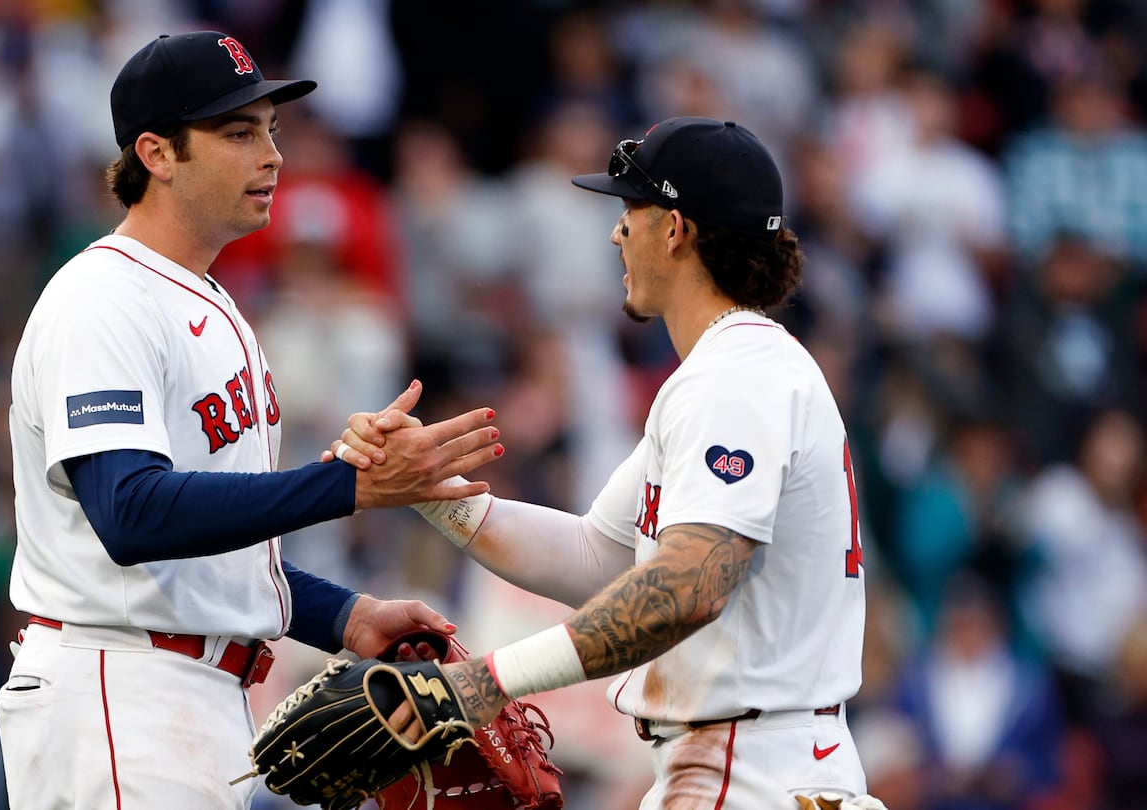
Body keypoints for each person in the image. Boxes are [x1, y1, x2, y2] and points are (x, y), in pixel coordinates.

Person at [0, 31, 502, 810]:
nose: (271, 155)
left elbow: (205, 547)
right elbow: (130, 514)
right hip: (118, 686)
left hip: (185, 693)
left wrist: (344, 615)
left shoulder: (210, 302)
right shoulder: (102, 297)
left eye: (271, 129)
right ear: (157, 153)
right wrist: (349, 487)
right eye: (238, 133)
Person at [332, 118, 881, 808]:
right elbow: (600, 557)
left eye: (630, 211)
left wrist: (490, 679)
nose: (617, 233)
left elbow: (687, 588)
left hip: (751, 769)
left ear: (675, 229)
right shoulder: (729, 370)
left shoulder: (734, 377)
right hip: (746, 760)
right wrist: (430, 491)